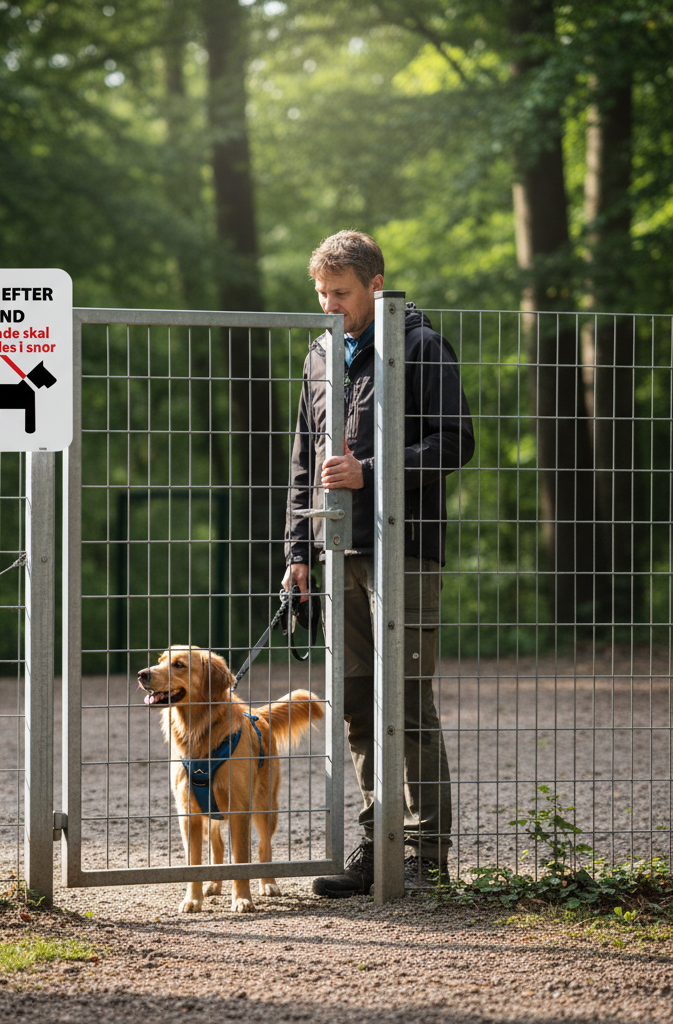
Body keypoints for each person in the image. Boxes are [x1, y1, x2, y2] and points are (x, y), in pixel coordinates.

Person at [282, 230, 475, 896]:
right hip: (336, 551)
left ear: (375, 285)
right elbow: (305, 462)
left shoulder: (419, 344)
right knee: (358, 704)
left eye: (340, 294)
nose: (328, 306)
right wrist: (299, 552)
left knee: (409, 703)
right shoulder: (318, 356)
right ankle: (376, 848)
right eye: (320, 294)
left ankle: (426, 858)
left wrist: (370, 472)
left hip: (407, 550)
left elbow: (456, 442)